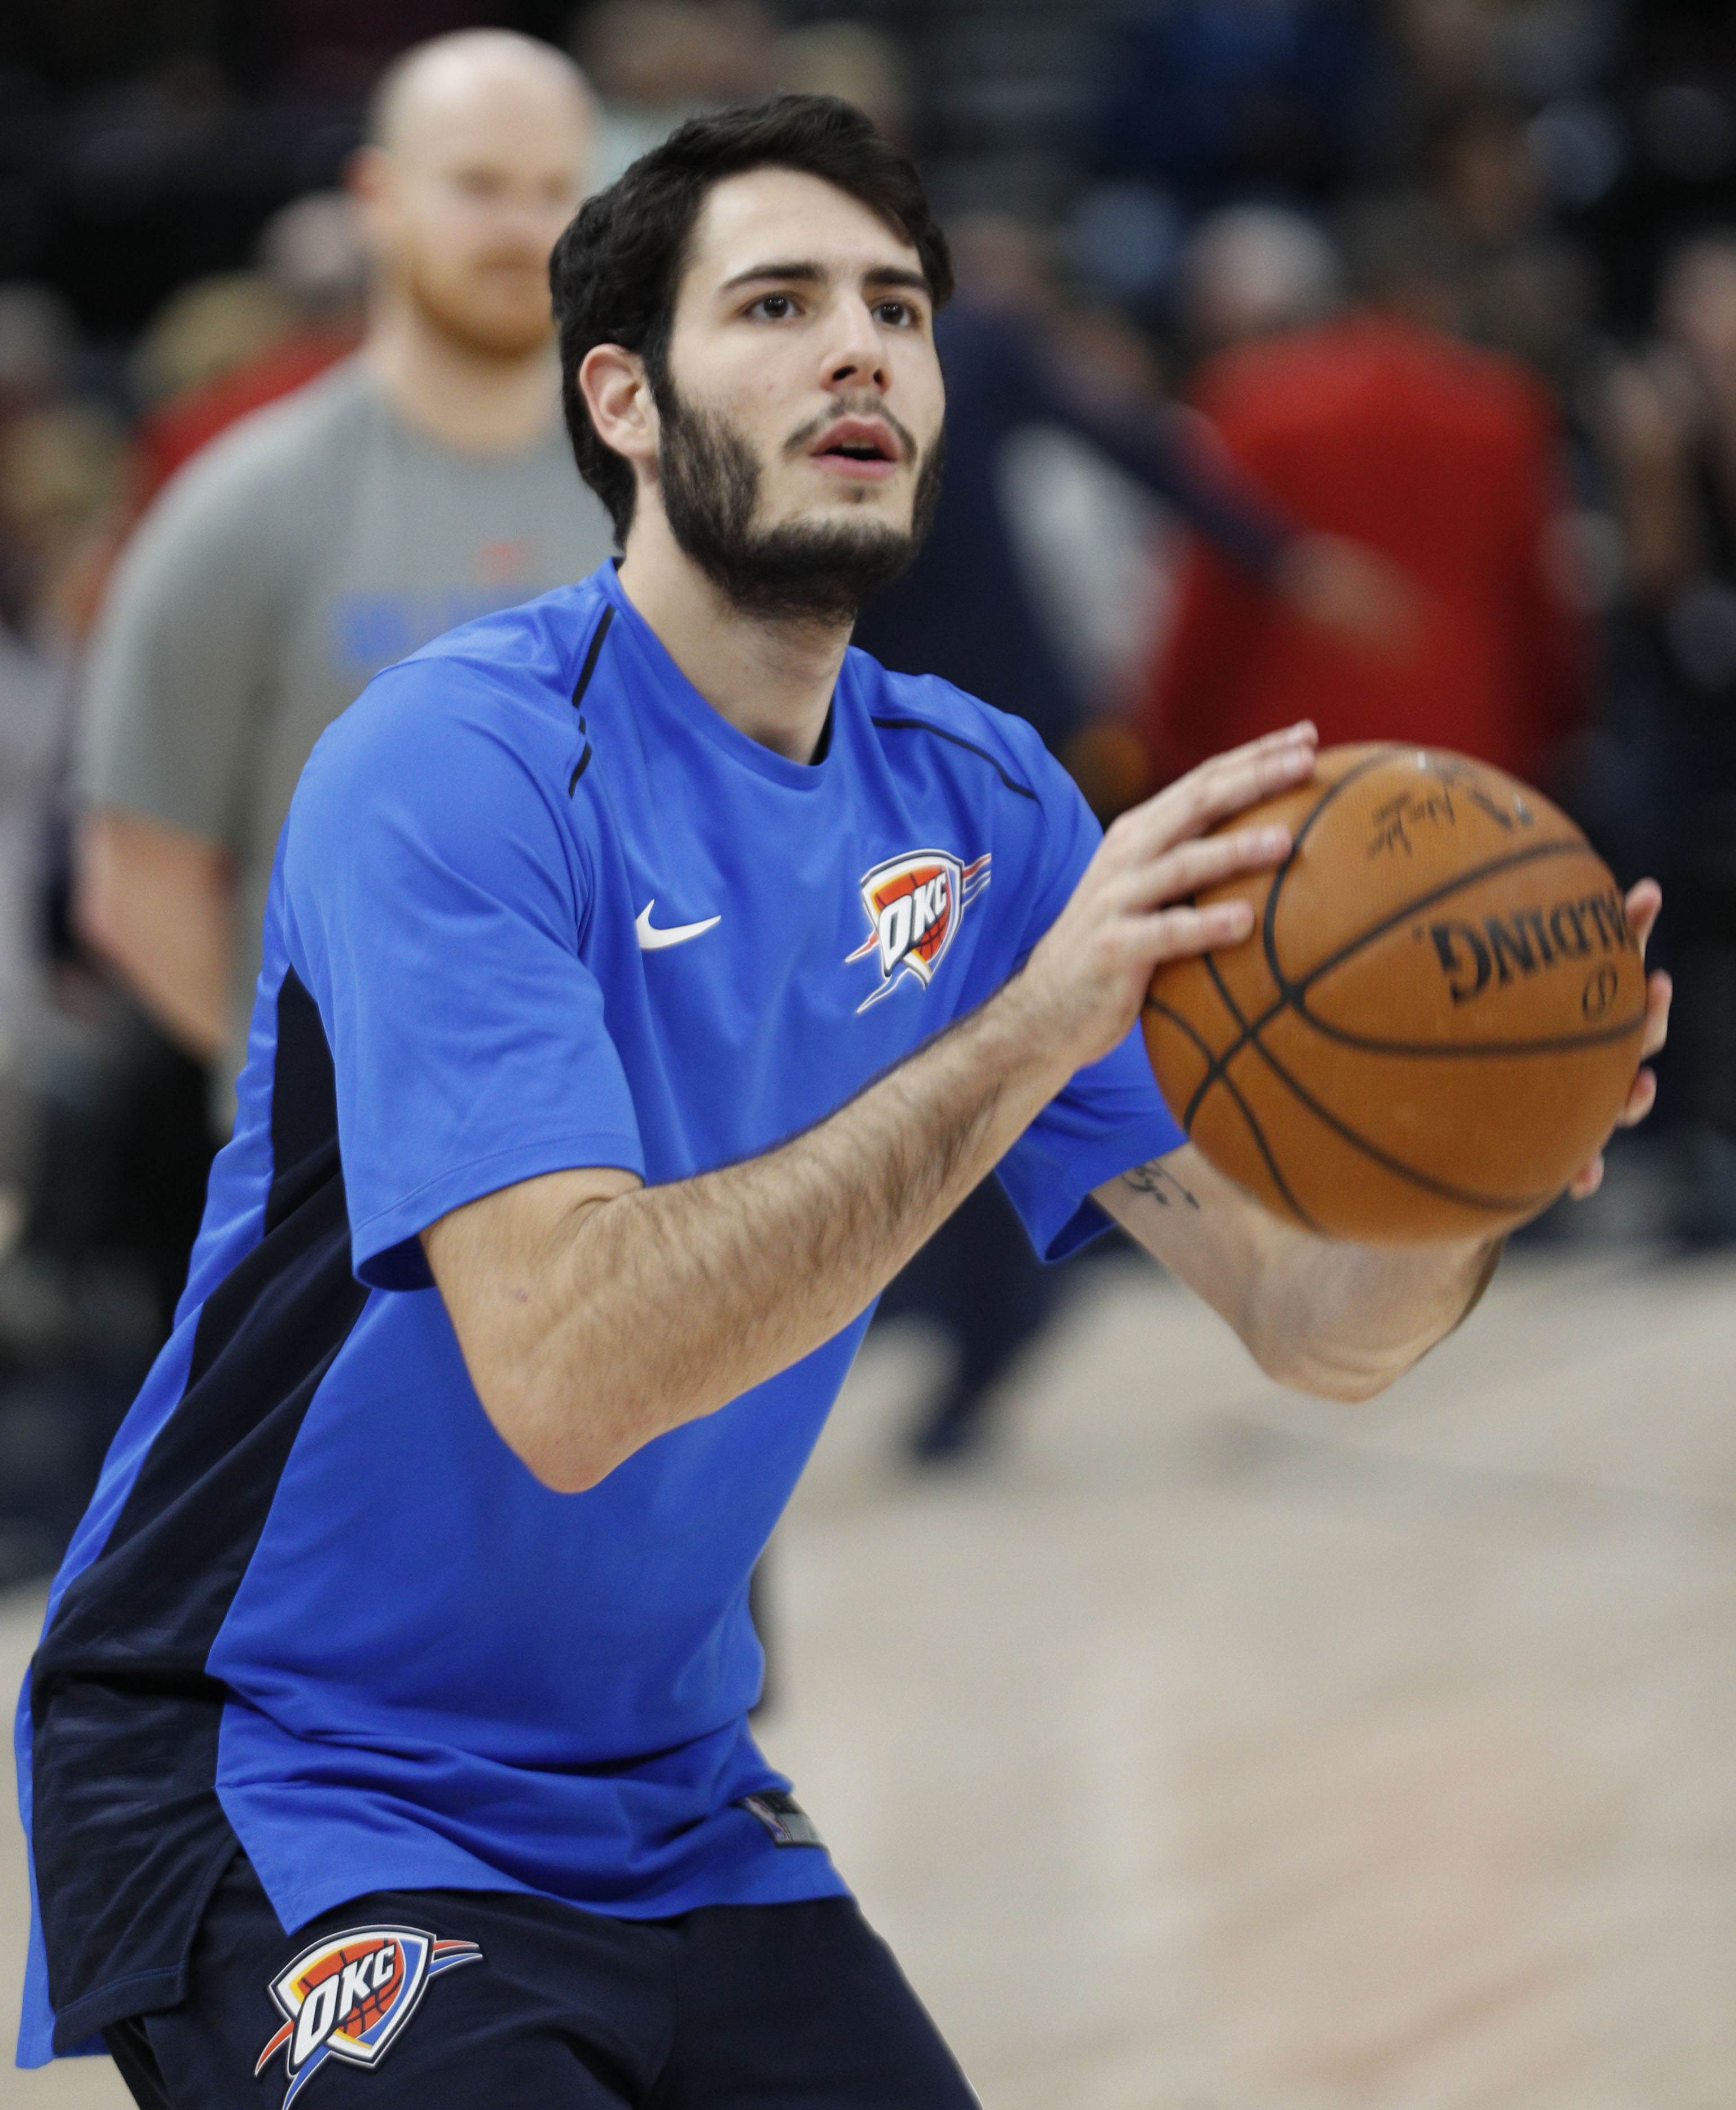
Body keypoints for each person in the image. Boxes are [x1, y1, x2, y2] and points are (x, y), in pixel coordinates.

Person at [18, 95, 1668, 2107]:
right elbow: (569, 1368)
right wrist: (1019, 1032)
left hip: (662, 1785)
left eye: (895, 304)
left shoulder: (980, 803)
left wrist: (1469, 1161)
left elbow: (1304, 1318)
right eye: (778, 303)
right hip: (287, 1753)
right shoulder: (453, 767)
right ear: (620, 398)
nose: (859, 348)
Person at [72, 29, 616, 1131]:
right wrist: (316, 1095)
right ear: (378, 195)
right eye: (477, 185)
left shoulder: (672, 496)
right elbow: (136, 876)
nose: (521, 226)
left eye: (554, 188)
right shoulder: (241, 507)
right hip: (345, 1203)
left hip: (648, 1166)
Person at [1140, 201, 1589, 792]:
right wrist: (1557, 733)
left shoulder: (1250, 404)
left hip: (1288, 774)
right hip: (1469, 766)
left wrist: (1167, 742)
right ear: (1444, 293)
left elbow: (1207, 608)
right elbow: (1537, 607)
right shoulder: (1502, 411)